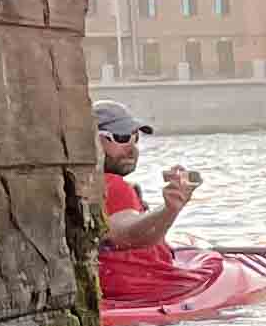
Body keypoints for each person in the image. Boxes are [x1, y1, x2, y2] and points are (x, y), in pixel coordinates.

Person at [93, 102, 216, 308]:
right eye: (121, 138)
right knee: (214, 263)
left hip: (118, 293)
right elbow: (126, 234)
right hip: (150, 293)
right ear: (93, 142)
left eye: (136, 138)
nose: (132, 148)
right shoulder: (113, 186)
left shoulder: (77, 185)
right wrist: (169, 209)